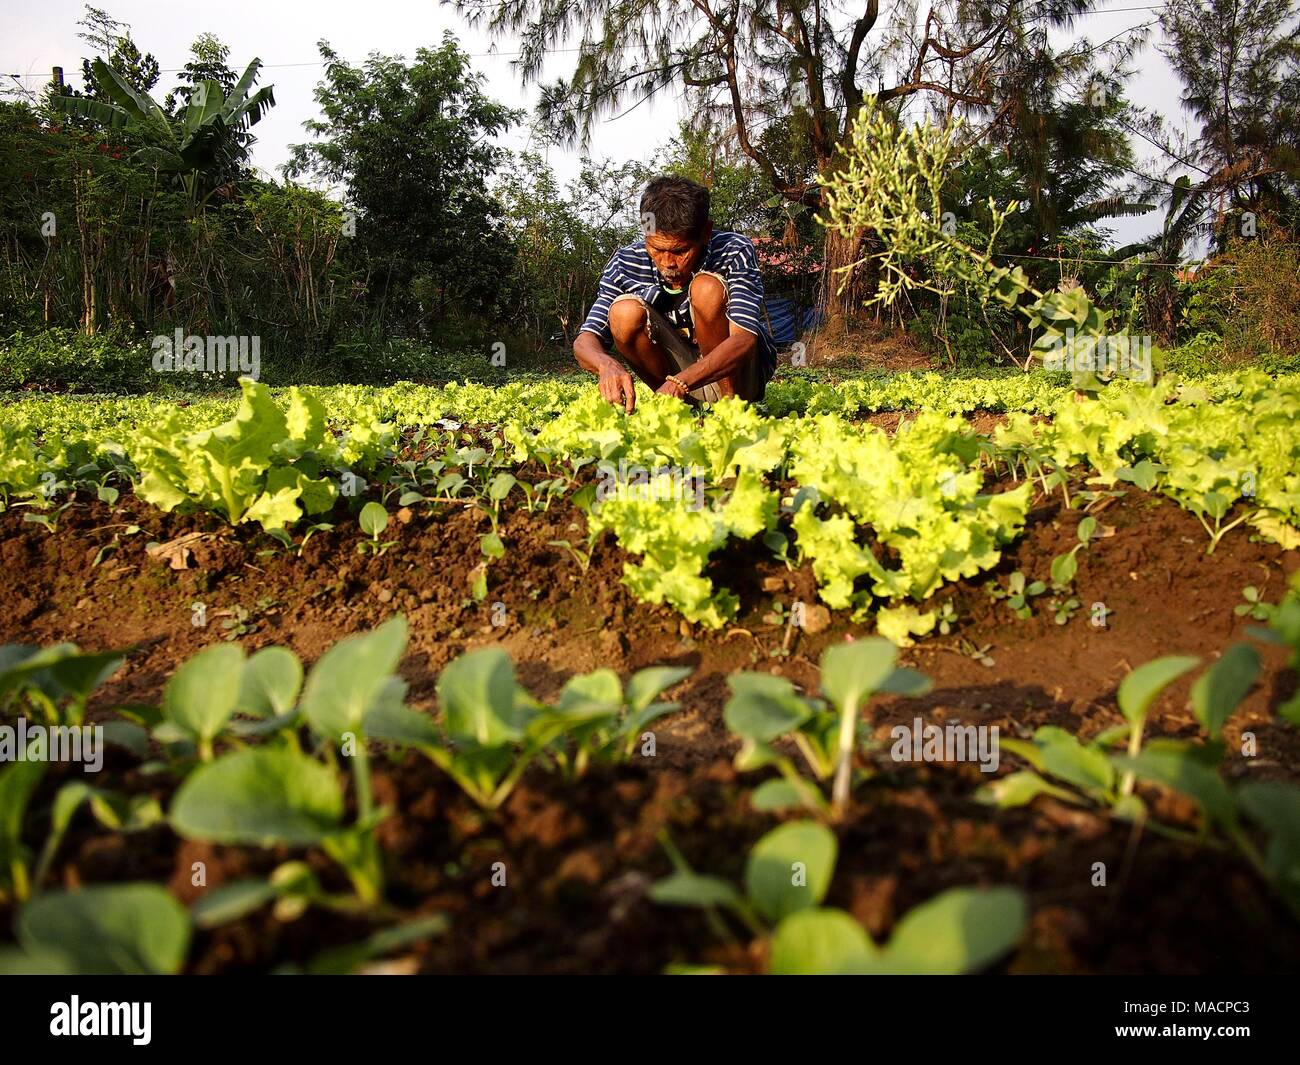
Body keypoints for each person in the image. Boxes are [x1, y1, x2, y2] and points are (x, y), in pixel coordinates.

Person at [573, 175, 778, 412]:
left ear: (705, 232)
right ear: (646, 233)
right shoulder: (624, 263)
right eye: (657, 249)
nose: (668, 263)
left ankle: (731, 410)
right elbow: (585, 341)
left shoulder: (733, 251)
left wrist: (680, 382)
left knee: (706, 288)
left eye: (680, 251)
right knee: (623, 312)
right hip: (677, 381)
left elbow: (744, 339)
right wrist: (606, 364)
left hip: (741, 378)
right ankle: (683, 410)